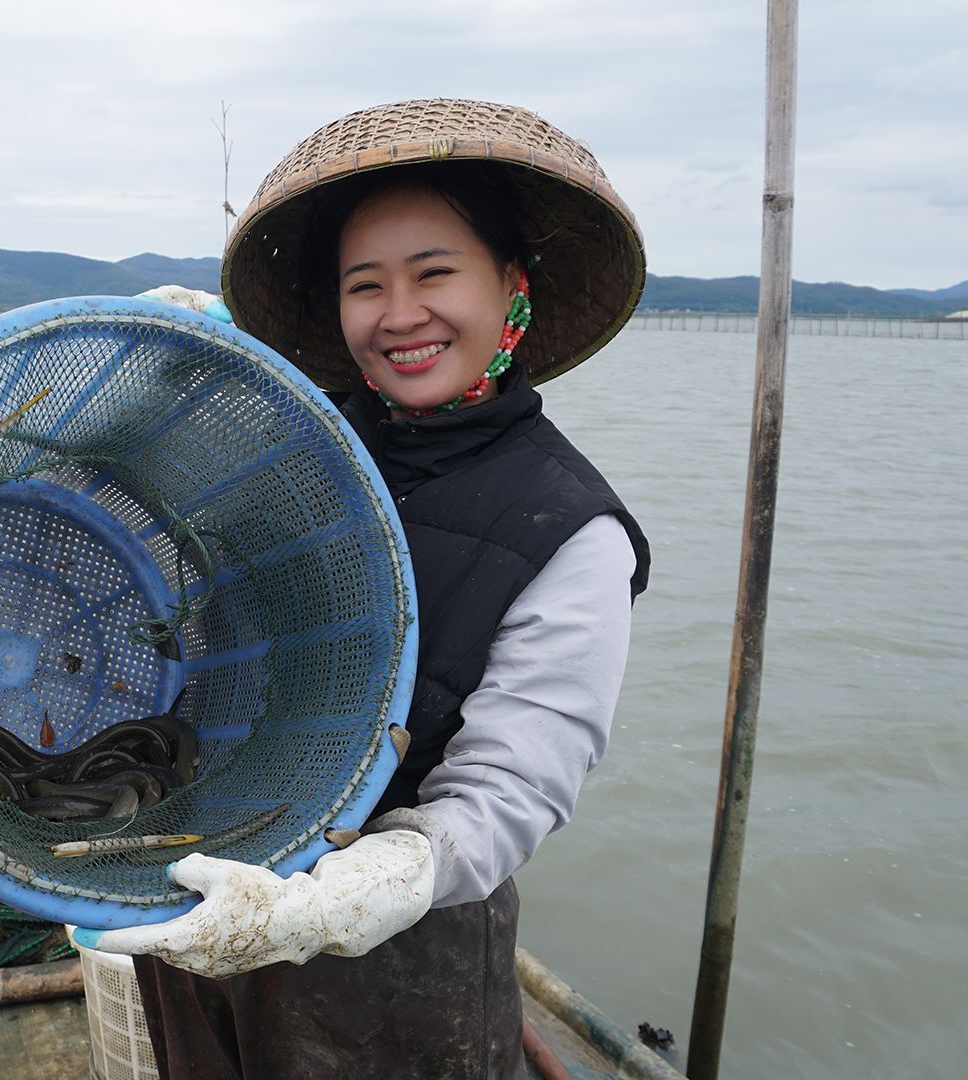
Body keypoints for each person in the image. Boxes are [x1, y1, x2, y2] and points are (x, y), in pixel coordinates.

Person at [76, 99, 652, 1078]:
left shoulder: (574, 529)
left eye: (435, 274)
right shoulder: (290, 438)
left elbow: (514, 784)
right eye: (364, 285)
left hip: (398, 959)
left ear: (510, 287)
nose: (400, 315)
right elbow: (143, 517)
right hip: (206, 878)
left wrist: (357, 890)